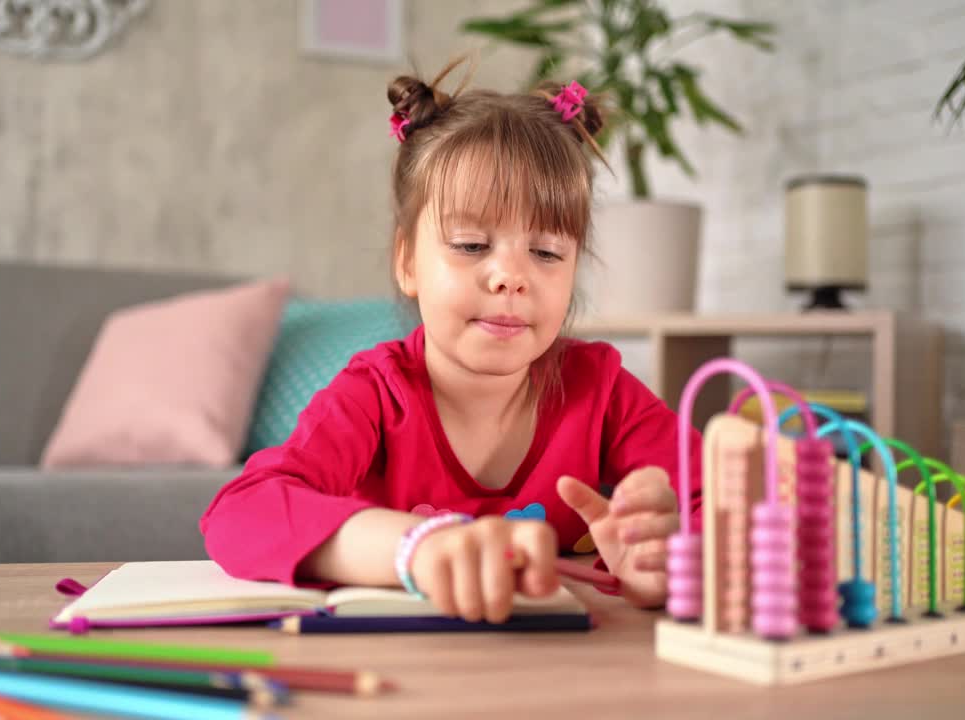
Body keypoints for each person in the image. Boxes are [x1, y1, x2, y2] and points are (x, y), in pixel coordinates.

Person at [200, 55, 702, 623]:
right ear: (408, 261)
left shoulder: (602, 387)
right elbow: (241, 513)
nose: (511, 275)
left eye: (546, 253)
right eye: (470, 245)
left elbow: (731, 502)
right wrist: (417, 547)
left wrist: (677, 555)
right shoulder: (377, 393)